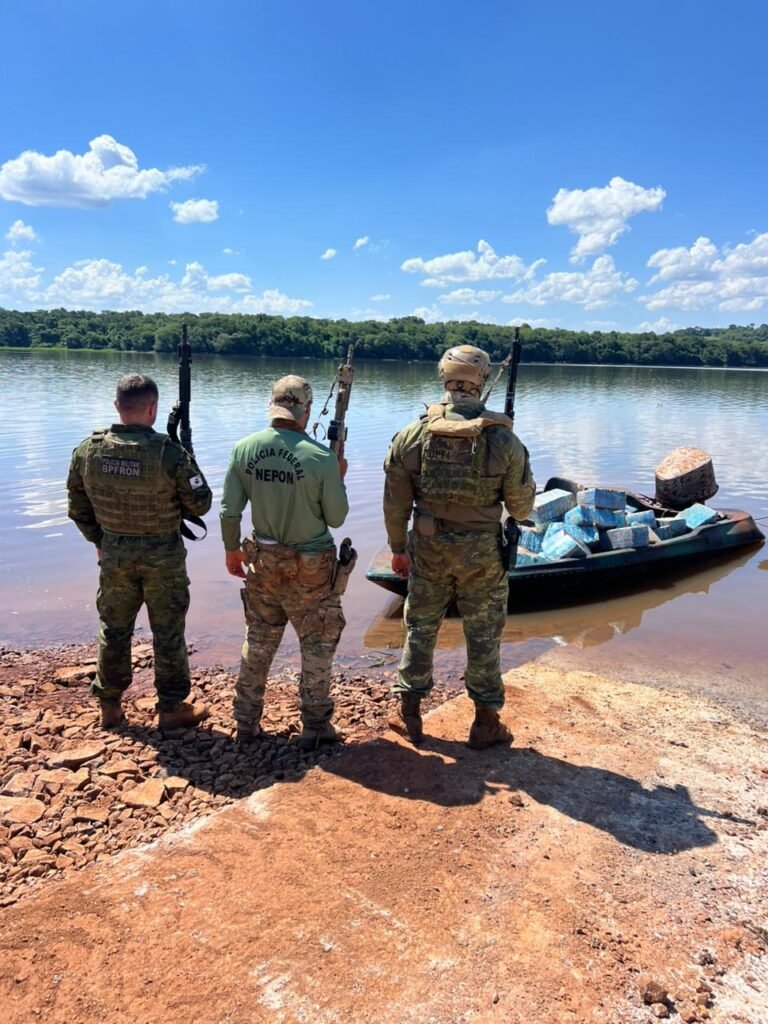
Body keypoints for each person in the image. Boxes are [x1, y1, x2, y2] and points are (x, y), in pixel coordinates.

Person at [383, 344, 536, 749]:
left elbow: (395, 503)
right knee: (483, 632)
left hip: (429, 546)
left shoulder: (413, 434)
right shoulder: (502, 439)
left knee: (420, 625)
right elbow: (521, 508)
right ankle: (485, 723)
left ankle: (409, 714)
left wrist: (398, 548)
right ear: (481, 379)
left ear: (444, 377)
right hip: (482, 551)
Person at [66, 373, 212, 731]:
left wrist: (100, 540)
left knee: (114, 629)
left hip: (115, 553)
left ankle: (109, 707)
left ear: (117, 406)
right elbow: (202, 504)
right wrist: (189, 457)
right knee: (167, 632)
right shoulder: (169, 454)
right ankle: (172, 707)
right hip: (162, 556)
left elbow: (77, 505)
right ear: (153, 408)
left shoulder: (89, 450)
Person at [220, 374, 351, 749]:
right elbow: (337, 518)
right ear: (306, 412)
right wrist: (336, 477)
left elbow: (230, 509)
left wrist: (231, 549)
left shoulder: (244, 448)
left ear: (274, 407)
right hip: (310, 568)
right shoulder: (321, 458)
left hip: (262, 561)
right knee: (317, 644)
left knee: (259, 640)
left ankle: (246, 723)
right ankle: (315, 727)